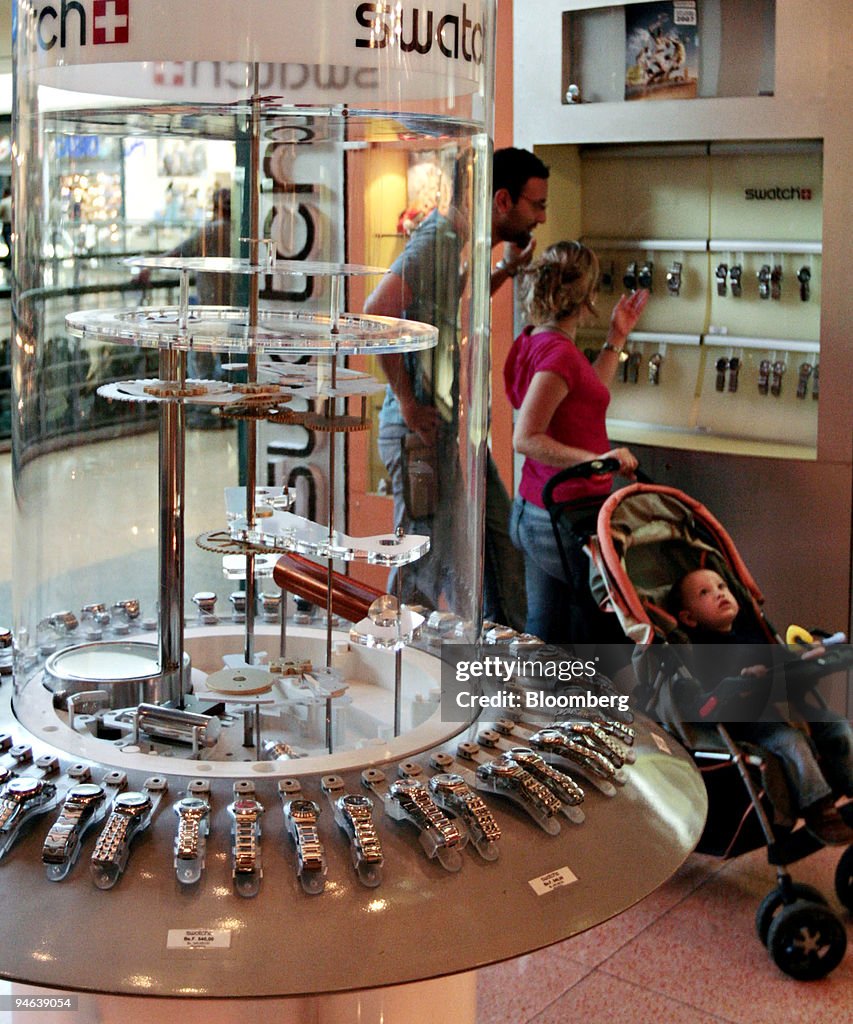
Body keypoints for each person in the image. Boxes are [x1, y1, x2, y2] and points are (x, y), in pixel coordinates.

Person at [364, 148, 550, 628]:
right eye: (536, 205)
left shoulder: (453, 241)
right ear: (502, 200)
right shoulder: (439, 239)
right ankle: (398, 672)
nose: (542, 217)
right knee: (421, 570)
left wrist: (506, 270)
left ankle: (495, 667)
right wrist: (406, 401)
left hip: (447, 430)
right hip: (425, 433)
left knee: (499, 552)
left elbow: (454, 302)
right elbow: (379, 309)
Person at [505, 240, 648, 646]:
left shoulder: (536, 340)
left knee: (546, 630)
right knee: (599, 630)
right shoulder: (558, 355)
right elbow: (526, 437)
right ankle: (591, 706)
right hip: (561, 517)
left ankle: (534, 706)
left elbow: (586, 392)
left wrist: (616, 337)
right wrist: (599, 461)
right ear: (587, 296)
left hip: (537, 510)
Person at [670, 567, 853, 845]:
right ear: (688, 618)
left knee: (836, 724)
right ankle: (819, 809)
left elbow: (780, 663)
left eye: (722, 586)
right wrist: (740, 681)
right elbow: (708, 699)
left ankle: (849, 779)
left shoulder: (749, 632)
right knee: (792, 742)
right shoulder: (700, 650)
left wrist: (805, 657)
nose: (719, 593)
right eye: (704, 593)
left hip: (778, 707)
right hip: (749, 723)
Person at [0, 187, 12, 271]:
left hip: (7, 224)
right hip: (14, 224)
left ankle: (10, 259)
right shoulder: (14, 201)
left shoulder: (4, 202)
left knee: (8, 241)